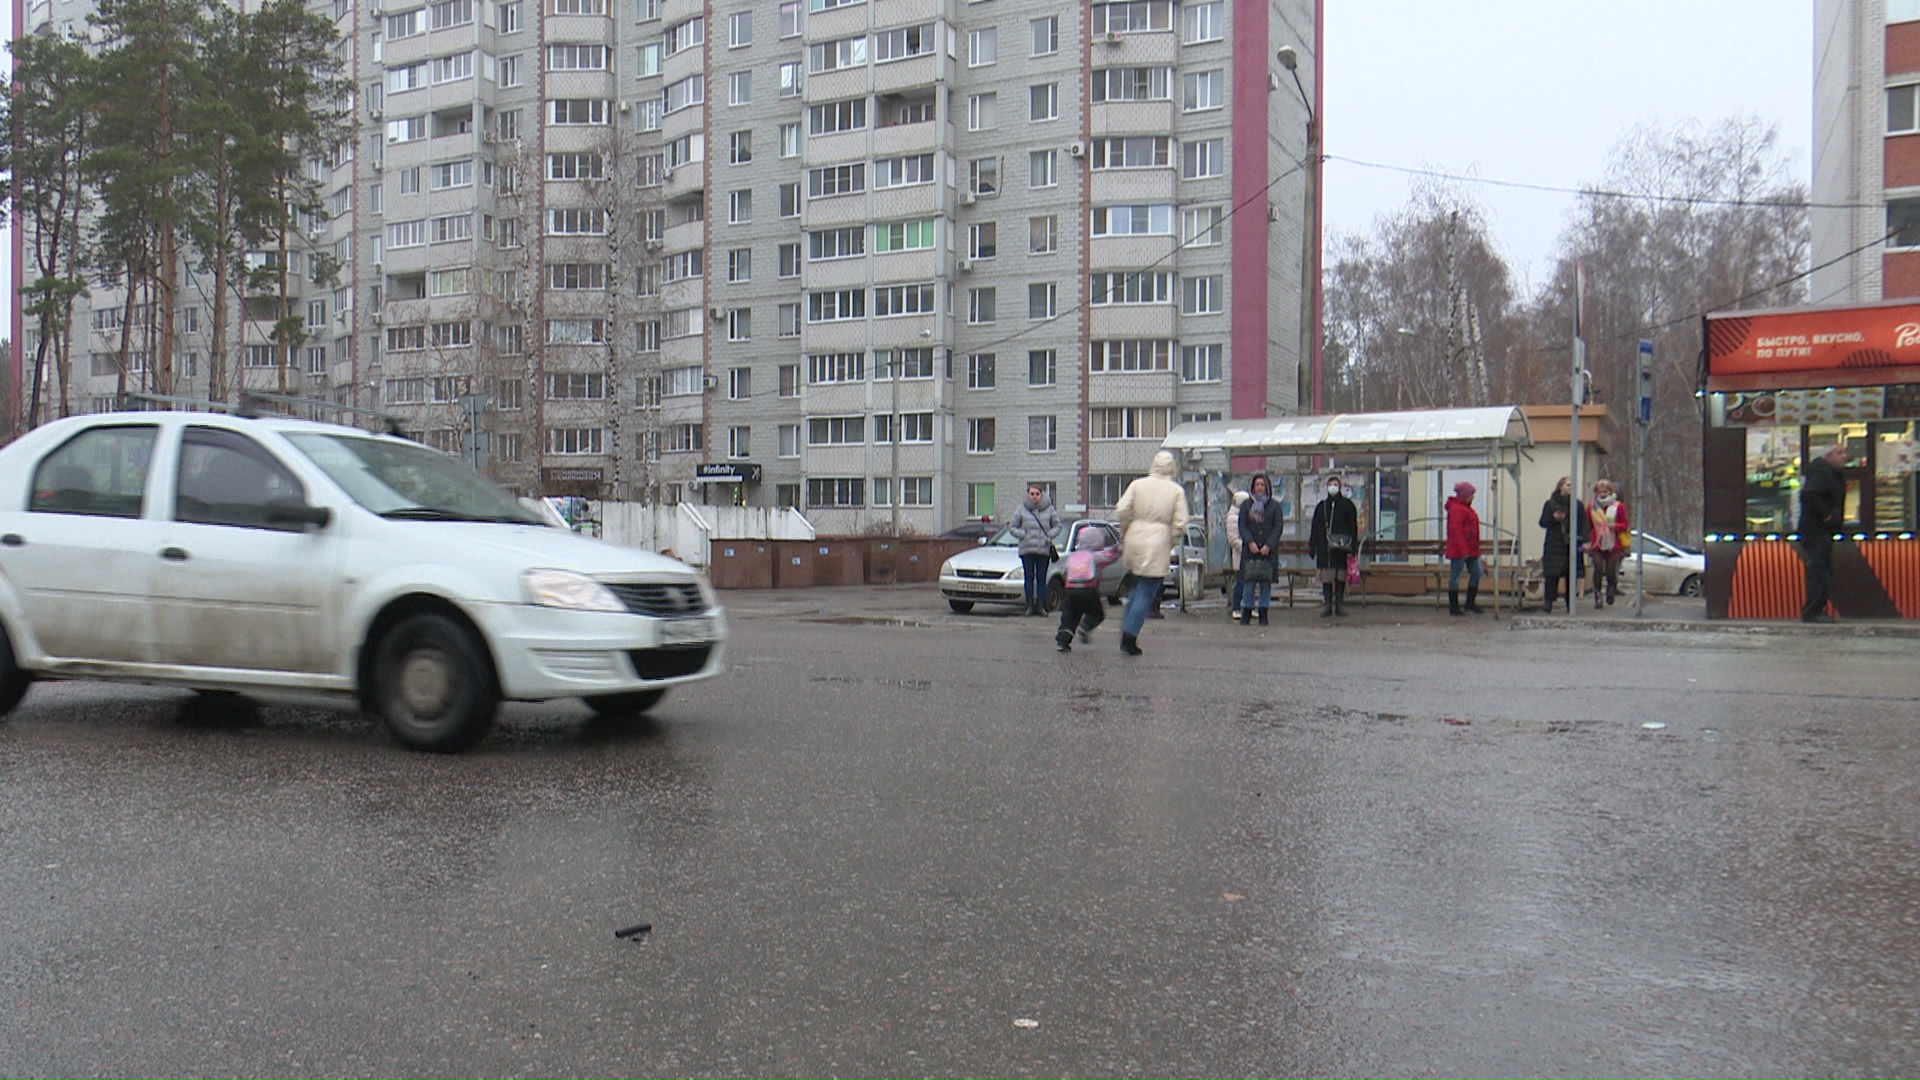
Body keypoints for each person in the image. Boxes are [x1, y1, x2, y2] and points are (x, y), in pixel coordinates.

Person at [1113, 450, 1191, 656]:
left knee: (1135, 588)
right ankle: (1129, 636)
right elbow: (1181, 522)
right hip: (1158, 539)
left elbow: (1122, 509)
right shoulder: (1176, 491)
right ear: (1172, 467)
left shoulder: (1137, 485)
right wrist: (1171, 539)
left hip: (1134, 536)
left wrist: (1127, 529)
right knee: (1147, 590)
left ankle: (1126, 628)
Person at [1797, 443, 1847, 623]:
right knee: (1819, 572)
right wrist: (1826, 514)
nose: (1844, 456)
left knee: (1821, 571)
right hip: (1817, 530)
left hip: (1820, 530)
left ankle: (1816, 609)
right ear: (1828, 456)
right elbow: (1809, 494)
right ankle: (1813, 611)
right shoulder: (1822, 473)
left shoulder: (1827, 472)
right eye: (1839, 453)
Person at [1055, 526, 1123, 651]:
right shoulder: (1095, 556)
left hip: (1071, 591)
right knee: (1097, 613)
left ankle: (1063, 640)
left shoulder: (1072, 557)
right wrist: (1120, 548)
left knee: (1070, 616)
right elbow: (1110, 555)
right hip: (1089, 589)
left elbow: (1065, 572)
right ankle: (1085, 627)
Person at [1237, 475, 1285, 626]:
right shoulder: (1246, 505)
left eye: (1262, 485)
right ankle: (1247, 611)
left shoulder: (1274, 506)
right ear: (1252, 487)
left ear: (1267, 487)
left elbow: (1278, 527)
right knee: (1248, 582)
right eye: (1257, 485)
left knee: (1265, 582)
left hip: (1267, 551)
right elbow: (1242, 525)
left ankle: (1263, 613)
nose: (1259, 488)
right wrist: (1250, 542)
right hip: (1249, 551)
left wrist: (1268, 545)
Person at [1309, 474, 1359, 617]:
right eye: (1330, 484)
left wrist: (1352, 547)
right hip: (1324, 546)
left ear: (1340, 487)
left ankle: (1339, 605)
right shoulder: (1321, 506)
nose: (1333, 487)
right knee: (1327, 577)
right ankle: (1327, 605)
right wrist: (1312, 545)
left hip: (1342, 547)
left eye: (1335, 484)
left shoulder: (1348, 506)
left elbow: (1353, 527)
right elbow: (1315, 527)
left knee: (1340, 576)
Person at [1009, 484, 1062, 617]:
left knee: (1041, 579)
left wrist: (1049, 535)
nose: (1034, 497)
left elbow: (1058, 526)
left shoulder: (1049, 509)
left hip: (1042, 549)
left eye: (1037, 494)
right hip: (1027, 549)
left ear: (1041, 495)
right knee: (1029, 578)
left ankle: (1041, 606)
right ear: (1028, 494)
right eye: (1032, 494)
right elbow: (1012, 527)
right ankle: (1029, 606)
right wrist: (1023, 534)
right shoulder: (1021, 509)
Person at [1537, 476, 1587, 613]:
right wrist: (1554, 518)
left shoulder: (1577, 505)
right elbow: (1543, 522)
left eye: (1572, 485)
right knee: (1551, 574)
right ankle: (1548, 602)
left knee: (1572, 574)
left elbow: (1584, 524)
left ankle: (1570, 603)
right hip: (1555, 542)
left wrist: (1585, 541)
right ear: (1560, 487)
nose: (1571, 487)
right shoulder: (1550, 504)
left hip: (1572, 543)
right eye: (1568, 485)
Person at [1585, 479, 1631, 609]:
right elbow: (1587, 525)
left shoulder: (1618, 507)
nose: (1602, 494)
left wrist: (1614, 526)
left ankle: (1611, 587)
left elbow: (1625, 525)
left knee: (1610, 571)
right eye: (1599, 492)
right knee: (1598, 568)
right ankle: (1597, 595)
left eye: (1605, 492)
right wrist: (1586, 541)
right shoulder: (1592, 508)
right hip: (1597, 543)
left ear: (1611, 492)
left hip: (1613, 543)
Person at [1444, 481, 1484, 616]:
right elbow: (1456, 531)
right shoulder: (1457, 509)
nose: (1473, 497)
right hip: (1460, 549)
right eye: (1471, 494)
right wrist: (1464, 550)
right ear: (1465, 495)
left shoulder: (1465, 508)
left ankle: (1469, 603)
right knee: (1456, 575)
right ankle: (1454, 607)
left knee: (1477, 572)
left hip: (1470, 549)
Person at [1224, 488, 1250, 622]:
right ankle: (1236, 607)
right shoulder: (1233, 518)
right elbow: (1233, 540)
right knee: (1240, 582)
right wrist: (1247, 548)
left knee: (1247, 582)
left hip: (1246, 555)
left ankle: (1247, 607)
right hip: (1240, 556)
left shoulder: (1242, 515)